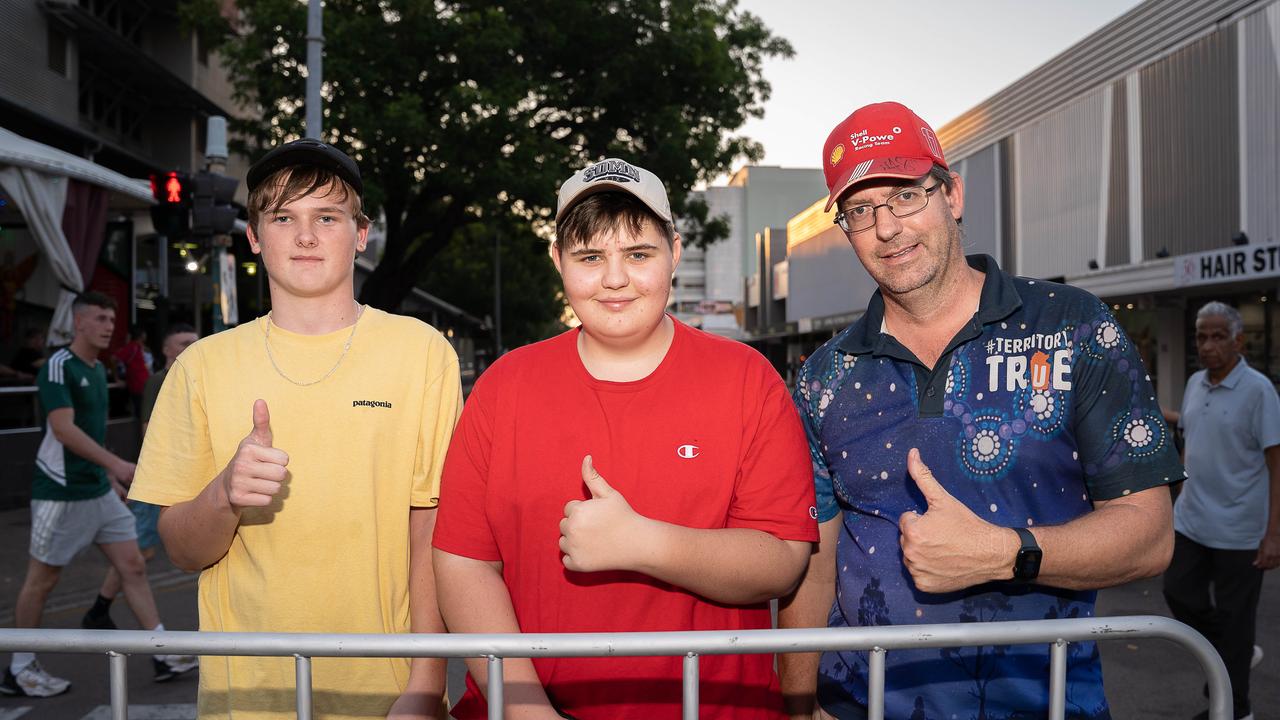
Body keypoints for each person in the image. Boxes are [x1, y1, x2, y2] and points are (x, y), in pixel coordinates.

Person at [778, 102, 1183, 720]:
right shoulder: (824, 376)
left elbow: (1148, 536)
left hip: (1043, 703)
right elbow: (814, 562)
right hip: (861, 706)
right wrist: (799, 705)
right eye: (861, 210)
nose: (888, 228)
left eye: (907, 195)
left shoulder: (1073, 327)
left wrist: (1004, 552)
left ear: (953, 195)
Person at [432, 158, 819, 719]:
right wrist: (524, 709)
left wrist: (645, 543)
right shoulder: (504, 387)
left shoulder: (747, 379)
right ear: (558, 260)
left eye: (638, 255)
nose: (615, 279)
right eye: (590, 257)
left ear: (675, 252)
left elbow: (782, 557)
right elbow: (463, 561)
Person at [128, 139, 461, 720]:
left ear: (360, 234)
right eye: (284, 217)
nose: (305, 236)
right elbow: (180, 549)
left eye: (327, 217)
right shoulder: (201, 366)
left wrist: (426, 684)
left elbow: (431, 529)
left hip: (387, 693)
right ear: (255, 236)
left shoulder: (423, 354)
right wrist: (224, 493)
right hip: (248, 698)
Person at [0, 292, 196, 699]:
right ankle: (18, 668)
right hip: (60, 492)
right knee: (43, 580)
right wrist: (118, 465)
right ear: (79, 323)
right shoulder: (59, 366)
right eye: (101, 318)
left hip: (97, 490)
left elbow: (92, 433)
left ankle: (162, 652)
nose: (110, 325)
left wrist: (109, 479)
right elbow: (63, 429)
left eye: (112, 318)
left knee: (134, 565)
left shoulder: (97, 369)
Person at [1163, 301, 1279, 720]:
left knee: (1236, 619)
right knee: (1178, 593)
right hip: (1192, 520)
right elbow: (1191, 430)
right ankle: (1235, 651)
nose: (1207, 345)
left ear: (1238, 340)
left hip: (1240, 529)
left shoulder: (1259, 391)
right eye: (1201, 336)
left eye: (1217, 336)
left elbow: (1275, 463)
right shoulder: (1195, 382)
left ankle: (1236, 711)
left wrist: (1274, 534)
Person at [83, 322, 199, 631]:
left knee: (140, 554)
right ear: (166, 349)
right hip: (159, 475)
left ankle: (99, 609)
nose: (191, 347)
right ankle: (99, 610)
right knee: (140, 552)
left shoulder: (199, 378)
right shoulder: (159, 381)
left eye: (195, 342)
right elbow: (149, 430)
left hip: (184, 473)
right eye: (183, 342)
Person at [113, 324, 151, 414]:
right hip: (138, 387)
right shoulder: (131, 347)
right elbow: (114, 358)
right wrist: (117, 378)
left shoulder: (138, 347)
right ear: (141, 335)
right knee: (143, 415)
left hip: (144, 385)